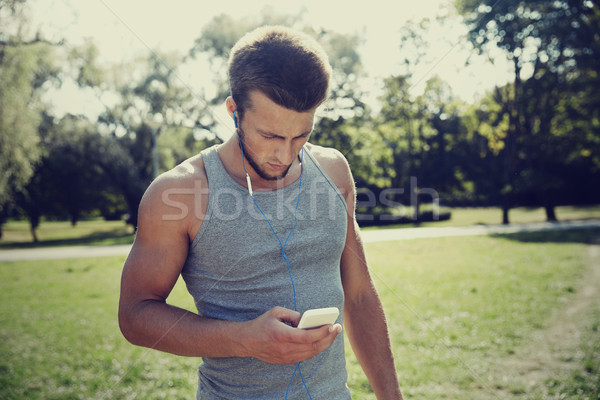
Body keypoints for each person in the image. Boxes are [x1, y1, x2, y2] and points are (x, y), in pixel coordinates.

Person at [118, 25, 404, 399]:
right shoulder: (178, 193)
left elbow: (361, 295)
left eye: (300, 135)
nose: (285, 155)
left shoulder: (334, 171)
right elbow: (136, 315)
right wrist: (243, 340)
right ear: (234, 111)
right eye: (270, 136)